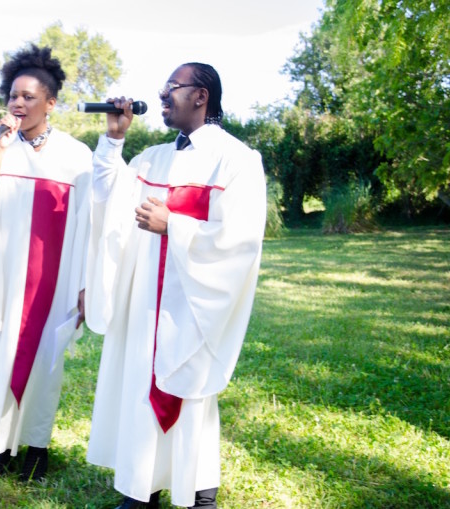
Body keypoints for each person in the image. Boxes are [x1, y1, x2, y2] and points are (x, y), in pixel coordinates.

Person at [85, 63, 266, 508]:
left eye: (172, 88)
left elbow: (241, 242)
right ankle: (140, 490)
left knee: (190, 395)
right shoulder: (152, 159)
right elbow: (107, 199)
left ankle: (198, 495)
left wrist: (174, 227)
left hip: (196, 303)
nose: (162, 96)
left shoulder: (237, 160)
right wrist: (114, 138)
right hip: (147, 300)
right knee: (142, 395)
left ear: (200, 96)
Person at [0, 44, 92, 481]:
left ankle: (36, 444)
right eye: (13, 95)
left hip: (55, 274)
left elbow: (91, 223)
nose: (18, 103)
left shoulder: (76, 156)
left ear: (50, 103)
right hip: (5, 271)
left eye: (29, 96)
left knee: (46, 362)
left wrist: (87, 282)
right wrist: (0, 146)